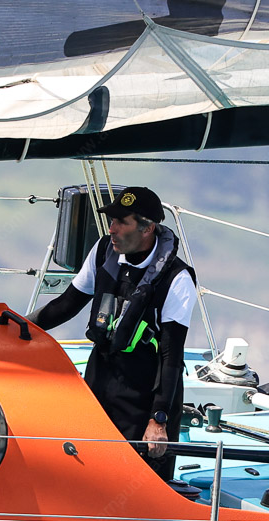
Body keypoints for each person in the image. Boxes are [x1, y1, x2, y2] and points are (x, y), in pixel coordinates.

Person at [29, 187, 195, 480]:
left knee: (139, 481)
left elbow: (171, 357)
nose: (112, 229)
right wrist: (18, 326)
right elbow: (66, 305)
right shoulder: (103, 250)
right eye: (111, 221)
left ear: (147, 228)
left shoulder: (177, 279)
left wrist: (158, 420)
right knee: (89, 470)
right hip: (101, 376)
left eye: (121, 222)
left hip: (144, 392)